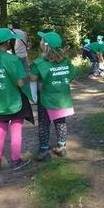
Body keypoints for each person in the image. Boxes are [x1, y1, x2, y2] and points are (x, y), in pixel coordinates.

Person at [0, 28, 33, 172]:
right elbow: (20, 83)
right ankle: (15, 160)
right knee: (16, 130)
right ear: (8, 42)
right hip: (15, 102)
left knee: (0, 131)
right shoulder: (12, 59)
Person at [30, 31, 76, 161]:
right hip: (62, 98)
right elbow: (71, 74)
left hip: (46, 98)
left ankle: (43, 151)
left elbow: (32, 78)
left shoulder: (39, 62)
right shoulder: (66, 60)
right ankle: (61, 147)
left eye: (41, 40)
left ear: (45, 45)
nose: (39, 42)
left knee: (44, 123)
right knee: (60, 121)